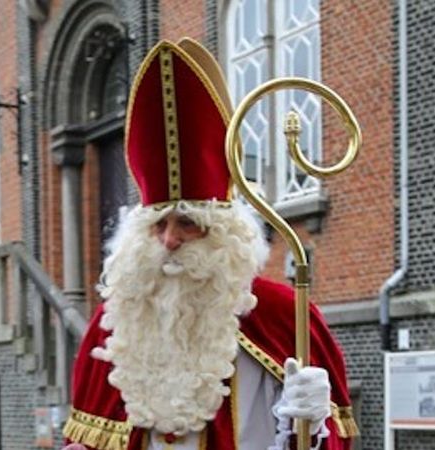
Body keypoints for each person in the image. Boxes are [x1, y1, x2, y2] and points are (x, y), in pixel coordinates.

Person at [61, 38, 358, 450]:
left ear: (222, 234)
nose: (169, 240)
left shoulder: (284, 317)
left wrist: (310, 427)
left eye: (188, 222)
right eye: (158, 225)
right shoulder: (114, 324)